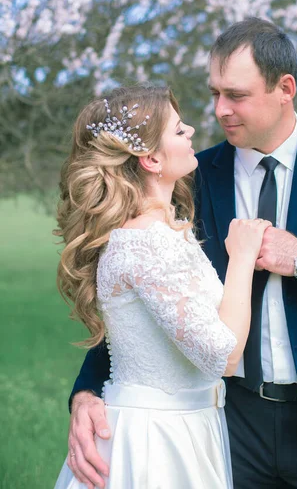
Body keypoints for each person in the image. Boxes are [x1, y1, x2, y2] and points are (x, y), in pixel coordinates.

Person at [65, 19, 297, 489]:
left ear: (285, 88)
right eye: (214, 93)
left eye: (236, 95)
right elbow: (145, 296)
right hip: (226, 422)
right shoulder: (192, 176)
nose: (220, 110)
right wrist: (87, 390)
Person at [53, 83, 271, 489]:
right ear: (151, 158)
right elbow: (222, 357)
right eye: (177, 129)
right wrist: (242, 258)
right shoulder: (146, 242)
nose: (190, 131)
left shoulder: (165, 230)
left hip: (187, 423)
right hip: (155, 439)